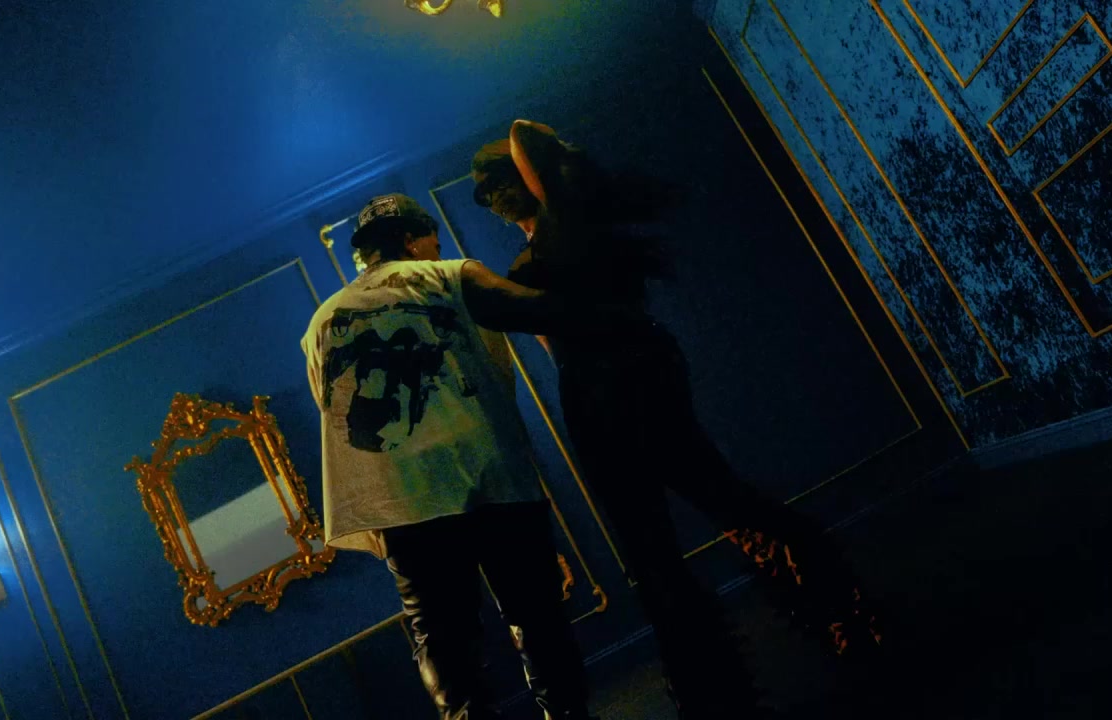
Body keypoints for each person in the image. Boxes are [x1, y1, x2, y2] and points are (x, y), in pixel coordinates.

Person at [470, 121, 883, 718]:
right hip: (599, 387)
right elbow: (553, 344)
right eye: (484, 193)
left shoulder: (570, 222)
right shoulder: (536, 251)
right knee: (665, 543)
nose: (491, 198)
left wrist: (533, 160)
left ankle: (833, 619)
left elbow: (524, 133)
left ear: (529, 177)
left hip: (631, 376)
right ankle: (728, 685)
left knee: (714, 510)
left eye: (498, 182)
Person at [301, 193, 607, 720]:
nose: (437, 250)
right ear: (410, 240)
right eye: (433, 242)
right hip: (490, 478)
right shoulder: (448, 275)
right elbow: (539, 309)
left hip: (402, 502)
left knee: (440, 640)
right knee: (536, 614)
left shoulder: (321, 324)